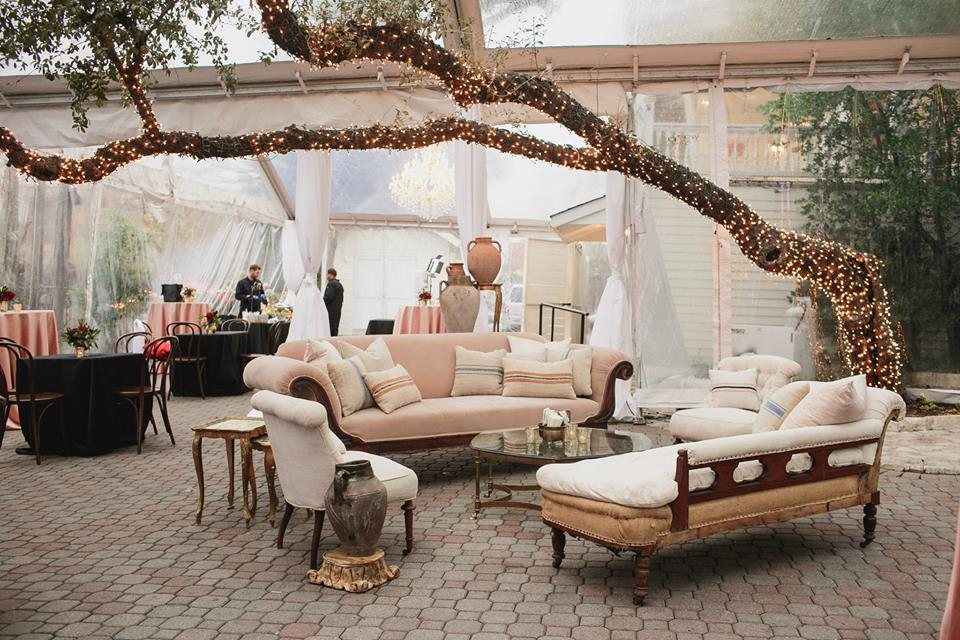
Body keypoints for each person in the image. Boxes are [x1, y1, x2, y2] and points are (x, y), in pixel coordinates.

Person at [324, 268, 344, 336]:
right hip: (337, 311)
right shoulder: (340, 285)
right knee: (335, 329)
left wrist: (322, 304)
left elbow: (328, 297)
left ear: (331, 275)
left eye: (327, 274)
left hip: (330, 311)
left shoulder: (331, 284)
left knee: (330, 329)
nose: (327, 276)